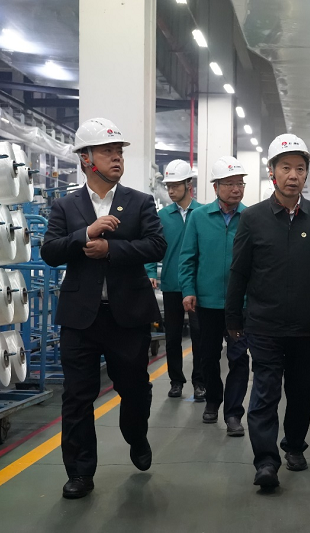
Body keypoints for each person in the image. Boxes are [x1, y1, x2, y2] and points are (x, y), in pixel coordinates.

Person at [41, 118, 167, 499]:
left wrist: (111, 249)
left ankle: (136, 435)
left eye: (119, 152)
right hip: (80, 317)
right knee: (77, 397)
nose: (117, 158)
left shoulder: (140, 202)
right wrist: (86, 234)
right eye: (108, 151)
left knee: (135, 389)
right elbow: (50, 251)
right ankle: (80, 473)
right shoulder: (65, 205)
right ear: (86, 159)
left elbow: (157, 246)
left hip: (127, 316)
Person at [225, 133, 310, 490]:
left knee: (299, 392)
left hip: (305, 324)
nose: (293, 175)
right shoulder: (253, 218)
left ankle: (294, 446)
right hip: (264, 324)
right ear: (272, 172)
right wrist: (233, 317)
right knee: (265, 392)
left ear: (306, 174)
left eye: (299, 168)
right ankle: (266, 461)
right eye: (285, 168)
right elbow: (239, 271)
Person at [179, 156, 250, 436]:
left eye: (240, 183)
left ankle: (233, 413)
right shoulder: (199, 218)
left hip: (239, 305)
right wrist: (188, 290)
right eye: (229, 184)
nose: (236, 189)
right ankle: (212, 400)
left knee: (239, 358)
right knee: (207, 357)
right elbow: (188, 258)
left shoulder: (251, 218)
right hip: (206, 303)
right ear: (216, 187)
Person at [146, 160, 206, 401]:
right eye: (168, 186)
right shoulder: (162, 216)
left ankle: (200, 382)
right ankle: (176, 381)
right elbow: (153, 246)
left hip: (197, 286)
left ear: (188, 184)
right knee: (172, 337)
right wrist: (151, 271)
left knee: (200, 336)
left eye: (175, 186)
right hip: (171, 284)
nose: (170, 191)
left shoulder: (203, 214)